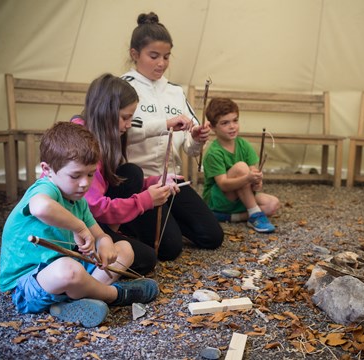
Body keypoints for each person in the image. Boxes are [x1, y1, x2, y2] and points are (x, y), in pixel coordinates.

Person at [0, 122, 159, 328]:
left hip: (65, 268)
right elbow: (41, 208)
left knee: (124, 250)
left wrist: (105, 243)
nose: (85, 183)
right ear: (47, 170)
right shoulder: (46, 188)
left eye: (90, 174)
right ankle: (115, 294)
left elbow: (101, 236)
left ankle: (72, 303)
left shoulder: (79, 201)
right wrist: (80, 228)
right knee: (69, 270)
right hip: (27, 284)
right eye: (75, 175)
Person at [120, 11, 224, 260]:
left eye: (166, 57)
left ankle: (168, 217)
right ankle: (126, 221)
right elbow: (118, 133)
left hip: (171, 180)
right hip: (138, 182)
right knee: (168, 250)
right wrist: (165, 124)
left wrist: (197, 138)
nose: (161, 63)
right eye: (153, 56)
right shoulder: (122, 87)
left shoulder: (175, 92)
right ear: (135, 54)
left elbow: (189, 148)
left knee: (212, 237)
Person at [72, 73, 180, 274]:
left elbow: (114, 177)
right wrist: (145, 200)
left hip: (94, 218)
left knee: (131, 173)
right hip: (80, 227)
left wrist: (152, 183)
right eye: (125, 117)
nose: (129, 124)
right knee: (147, 260)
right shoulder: (82, 146)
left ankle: (114, 234)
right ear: (106, 112)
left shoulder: (104, 135)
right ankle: (101, 247)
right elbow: (93, 206)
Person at [202, 98, 280, 233]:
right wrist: (248, 178)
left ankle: (231, 217)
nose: (232, 126)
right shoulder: (214, 153)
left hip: (241, 195)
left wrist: (256, 182)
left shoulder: (244, 145)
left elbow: (253, 172)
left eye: (235, 120)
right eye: (225, 123)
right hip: (218, 200)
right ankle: (255, 214)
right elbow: (223, 185)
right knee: (240, 167)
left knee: (272, 204)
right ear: (213, 127)